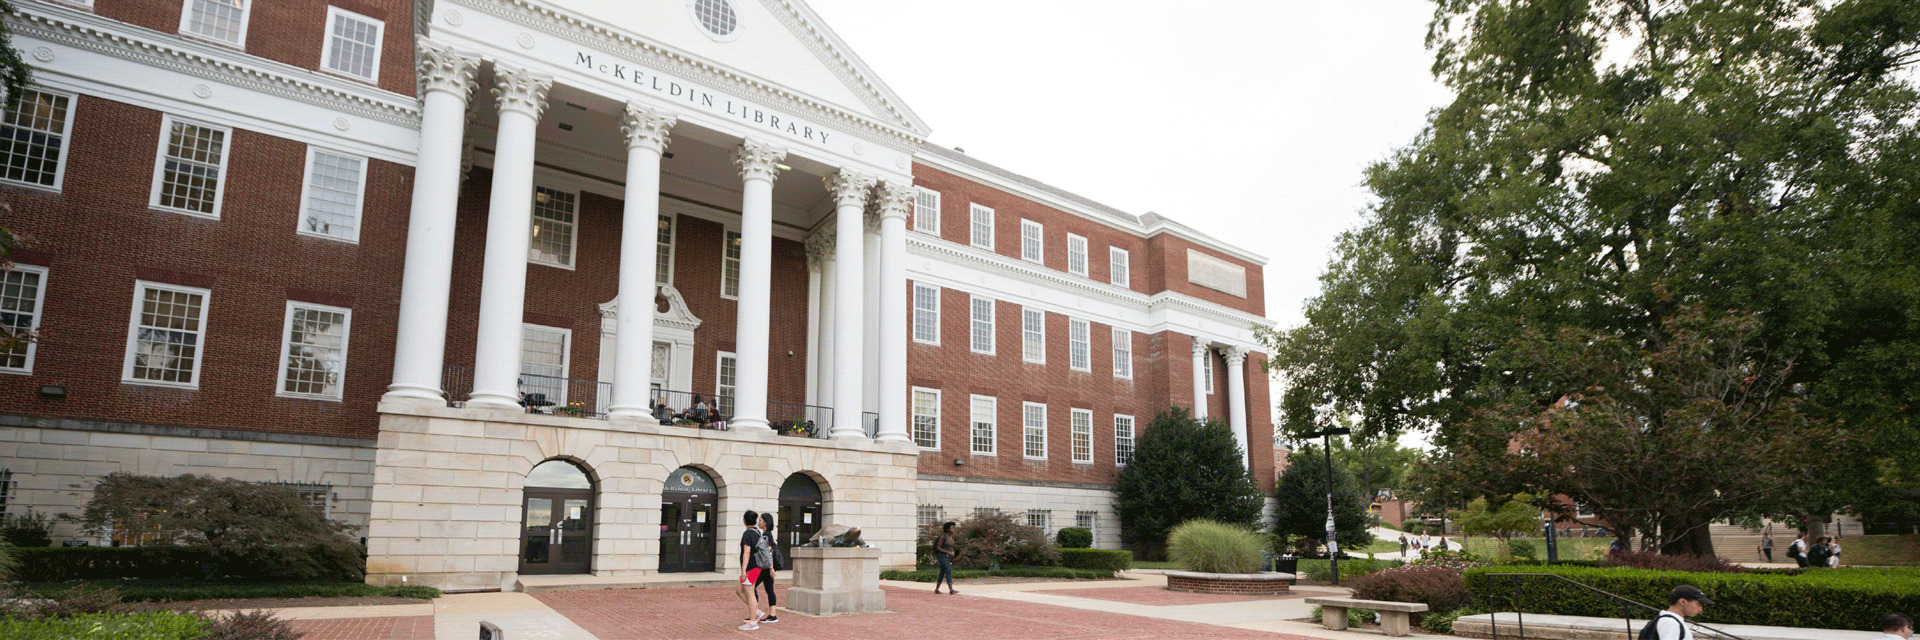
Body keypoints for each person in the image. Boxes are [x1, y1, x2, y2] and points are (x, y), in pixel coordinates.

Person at [1641, 585, 1712, 640]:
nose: (1700, 609)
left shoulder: (1671, 621)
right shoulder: (1670, 623)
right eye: (1698, 604)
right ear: (1682, 602)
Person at [736, 510, 766, 631]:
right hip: (755, 566)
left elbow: (747, 553)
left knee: (750, 593)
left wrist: (743, 570)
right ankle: (756, 612)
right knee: (739, 589)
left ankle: (753, 621)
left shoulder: (748, 534)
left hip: (751, 568)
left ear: (744, 521)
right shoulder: (757, 532)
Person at [753, 512, 780, 623]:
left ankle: (754, 612)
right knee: (769, 590)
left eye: (760, 520)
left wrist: (770, 568)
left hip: (765, 568)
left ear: (765, 523)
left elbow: (768, 553)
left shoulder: (766, 535)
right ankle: (773, 615)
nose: (758, 522)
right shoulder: (767, 534)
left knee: (751, 587)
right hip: (767, 567)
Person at [933, 521, 959, 594]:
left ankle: (936, 589)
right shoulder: (943, 537)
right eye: (952, 528)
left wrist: (952, 552)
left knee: (942, 572)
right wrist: (947, 552)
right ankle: (951, 589)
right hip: (942, 556)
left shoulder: (950, 537)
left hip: (948, 557)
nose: (953, 529)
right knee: (948, 570)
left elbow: (950, 547)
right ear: (947, 529)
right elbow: (938, 547)